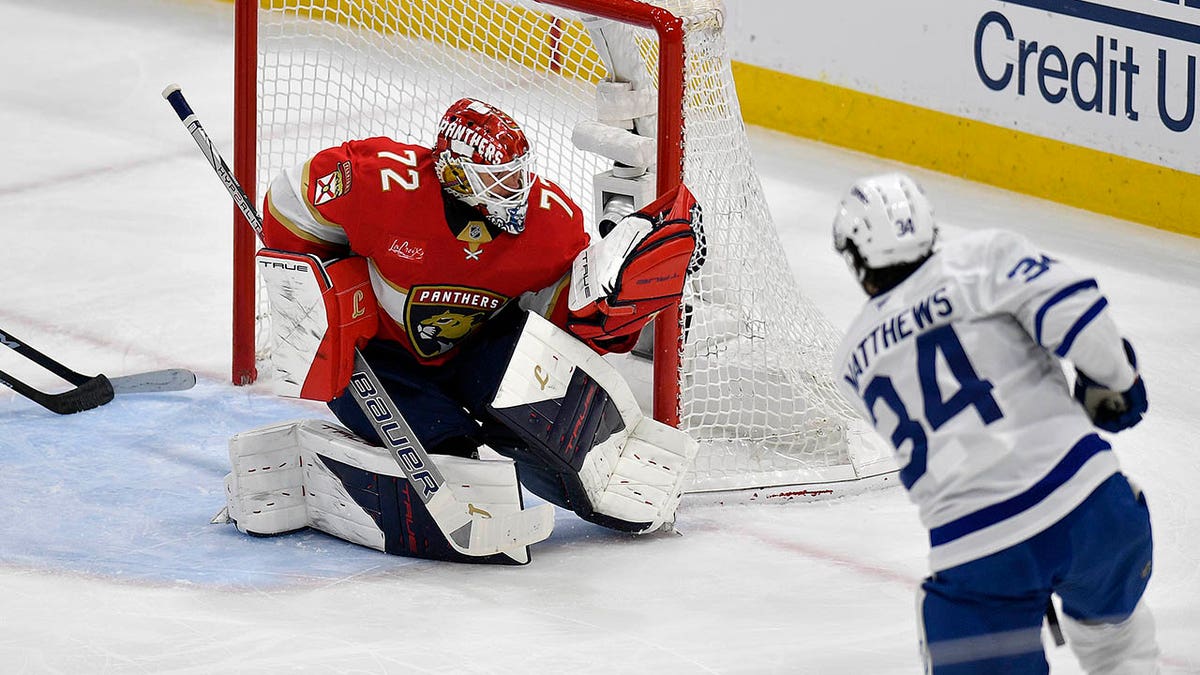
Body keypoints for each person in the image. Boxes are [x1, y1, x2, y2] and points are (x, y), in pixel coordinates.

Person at [220, 98, 702, 564]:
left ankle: (599, 469)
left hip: (478, 352)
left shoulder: (550, 221)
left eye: (519, 174)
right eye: (499, 180)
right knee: (449, 453)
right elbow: (289, 200)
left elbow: (554, 315)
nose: (516, 189)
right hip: (381, 356)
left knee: (545, 402)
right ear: (453, 172)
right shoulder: (380, 183)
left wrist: (607, 303)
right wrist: (311, 276)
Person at [830, 173, 1159, 673]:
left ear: (856, 259)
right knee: (1117, 642)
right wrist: (1115, 380)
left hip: (978, 551)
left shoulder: (852, 359)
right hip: (1090, 510)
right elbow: (1080, 319)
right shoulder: (982, 259)